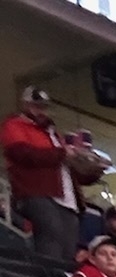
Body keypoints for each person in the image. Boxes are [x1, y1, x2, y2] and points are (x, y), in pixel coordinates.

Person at [1, 86, 80, 262]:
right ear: (25, 105)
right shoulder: (14, 125)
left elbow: (65, 166)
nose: (40, 110)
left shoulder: (53, 133)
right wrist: (62, 154)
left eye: (43, 106)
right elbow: (22, 154)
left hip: (66, 198)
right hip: (36, 192)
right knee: (51, 237)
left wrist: (89, 167)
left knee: (68, 248)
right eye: (35, 106)